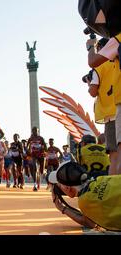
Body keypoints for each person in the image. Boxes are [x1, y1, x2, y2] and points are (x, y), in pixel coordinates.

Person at [48, 161, 121, 232]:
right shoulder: (102, 178)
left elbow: (90, 223)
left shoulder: (85, 201)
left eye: (60, 186)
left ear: (67, 188)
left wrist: (61, 207)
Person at [86, 38, 119, 175]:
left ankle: (114, 190)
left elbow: (93, 92)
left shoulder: (99, 67)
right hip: (119, 107)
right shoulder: (117, 62)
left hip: (111, 115)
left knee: (114, 155)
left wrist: (89, 84)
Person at [27, 127, 47, 192]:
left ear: (38, 131)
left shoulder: (41, 138)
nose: (35, 132)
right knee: (34, 168)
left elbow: (45, 147)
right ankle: (35, 184)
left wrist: (44, 151)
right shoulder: (30, 138)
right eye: (34, 131)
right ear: (32, 131)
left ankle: (39, 182)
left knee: (41, 171)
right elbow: (27, 147)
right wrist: (28, 151)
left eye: (36, 131)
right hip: (34, 155)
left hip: (40, 155)